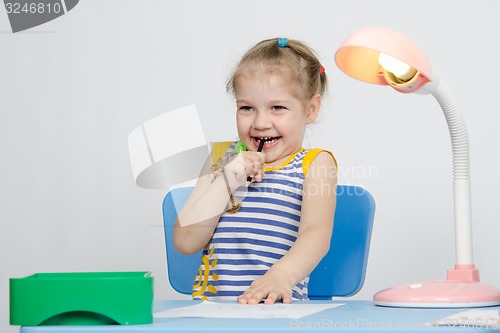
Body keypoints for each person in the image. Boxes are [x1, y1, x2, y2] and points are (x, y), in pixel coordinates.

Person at [174, 37, 337, 304]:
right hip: (213, 313)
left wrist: (281, 276)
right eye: (247, 108)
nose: (261, 123)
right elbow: (186, 241)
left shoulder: (315, 164)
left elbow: (316, 234)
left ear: (310, 109)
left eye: (277, 108)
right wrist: (227, 180)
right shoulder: (221, 157)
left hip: (279, 311)